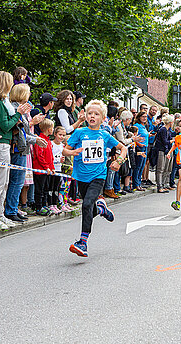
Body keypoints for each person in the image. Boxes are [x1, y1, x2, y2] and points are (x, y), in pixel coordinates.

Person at [63, 99, 128, 257]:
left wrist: (119, 161)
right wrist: (72, 153)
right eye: (90, 113)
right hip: (81, 176)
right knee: (89, 208)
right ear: (85, 116)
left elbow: (123, 148)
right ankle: (101, 209)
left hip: (98, 176)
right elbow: (65, 151)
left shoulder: (105, 135)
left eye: (96, 114)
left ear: (102, 118)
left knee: (86, 204)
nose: (92, 116)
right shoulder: (79, 133)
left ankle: (83, 242)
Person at [0, 71, 31, 229]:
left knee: (4, 182)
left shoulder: (2, 101)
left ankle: (0, 213)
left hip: (4, 144)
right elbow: (5, 126)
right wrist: (18, 114)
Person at [4, 83, 46, 223]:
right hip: (18, 149)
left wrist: (35, 139)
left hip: (22, 149)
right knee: (16, 181)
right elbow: (21, 135)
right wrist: (36, 140)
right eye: (27, 93)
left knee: (19, 181)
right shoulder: (16, 110)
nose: (29, 95)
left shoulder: (22, 110)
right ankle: (11, 210)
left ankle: (13, 209)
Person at [32, 118, 55, 216]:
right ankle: (38, 207)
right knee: (39, 189)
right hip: (40, 170)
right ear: (49, 129)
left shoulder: (48, 140)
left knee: (46, 188)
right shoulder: (40, 140)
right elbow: (39, 156)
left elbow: (50, 157)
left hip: (47, 170)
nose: (53, 130)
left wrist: (52, 167)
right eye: (52, 128)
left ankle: (44, 205)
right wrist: (46, 167)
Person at [153, 114, 174, 193]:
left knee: (166, 168)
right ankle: (160, 186)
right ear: (170, 122)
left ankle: (164, 184)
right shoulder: (163, 129)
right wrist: (172, 141)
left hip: (166, 150)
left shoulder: (168, 130)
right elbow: (165, 141)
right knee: (160, 168)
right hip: (161, 150)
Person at [50, 126, 69, 213]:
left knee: (57, 188)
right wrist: (58, 160)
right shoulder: (51, 144)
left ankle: (56, 204)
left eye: (63, 135)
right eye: (60, 135)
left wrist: (62, 161)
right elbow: (49, 157)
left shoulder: (62, 146)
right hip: (52, 169)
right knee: (51, 188)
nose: (61, 137)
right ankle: (50, 204)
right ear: (55, 134)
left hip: (59, 169)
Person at [132, 111, 149, 191]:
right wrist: (139, 144)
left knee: (142, 166)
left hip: (145, 147)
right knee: (138, 166)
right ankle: (136, 184)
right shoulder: (136, 126)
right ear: (139, 117)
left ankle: (139, 183)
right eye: (143, 116)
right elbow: (134, 137)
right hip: (140, 147)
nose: (144, 118)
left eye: (145, 116)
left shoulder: (144, 126)